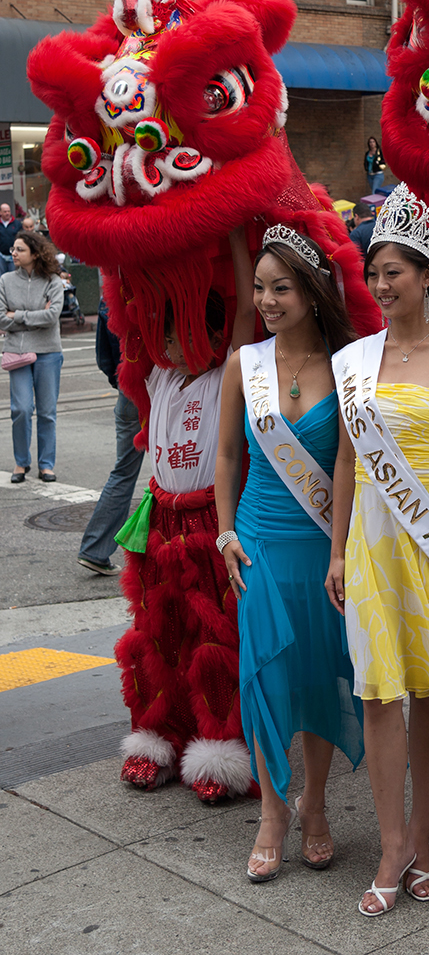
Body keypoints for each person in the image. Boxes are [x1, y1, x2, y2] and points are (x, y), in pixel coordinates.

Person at [326, 182, 429, 916]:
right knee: (377, 690)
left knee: (428, 691)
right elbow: (343, 459)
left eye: (394, 271)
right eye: (373, 273)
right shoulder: (354, 359)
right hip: (371, 538)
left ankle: (422, 837)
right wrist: (338, 551)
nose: (381, 285)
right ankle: (391, 842)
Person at [215, 225, 364, 882]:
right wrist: (226, 534)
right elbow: (226, 456)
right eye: (259, 288)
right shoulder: (242, 365)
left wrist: (341, 550)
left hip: (323, 544)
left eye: (280, 288)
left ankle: (316, 805)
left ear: (311, 291)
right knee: (267, 675)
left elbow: (349, 464)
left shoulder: (346, 366)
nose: (266, 301)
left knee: (319, 675)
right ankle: (273, 811)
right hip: (259, 543)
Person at [115, 229, 258, 803]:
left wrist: (233, 233)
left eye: (182, 335)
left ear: (215, 336)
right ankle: (158, 737)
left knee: (215, 637)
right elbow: (131, 306)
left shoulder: (231, 375)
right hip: (159, 524)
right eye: (167, 335)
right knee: (158, 635)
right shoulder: (160, 376)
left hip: (209, 524)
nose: (170, 345)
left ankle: (219, 748)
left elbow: (245, 309)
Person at [77, 299, 144, 576]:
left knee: (123, 471)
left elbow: (104, 358)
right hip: (165, 386)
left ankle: (95, 549)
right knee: (179, 471)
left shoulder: (110, 298)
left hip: (128, 390)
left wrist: (121, 383)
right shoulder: (156, 287)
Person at [0, 231, 64, 482]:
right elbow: (0, 318)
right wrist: (35, 316)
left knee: (47, 412)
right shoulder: (5, 280)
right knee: (21, 409)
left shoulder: (53, 281)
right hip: (16, 352)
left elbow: (52, 316)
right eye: (13, 249)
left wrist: (16, 315)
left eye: (20, 250)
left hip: (48, 350)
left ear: (35, 254)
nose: (13, 253)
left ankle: (46, 465)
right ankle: (21, 463)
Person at [0, 202, 21, 275]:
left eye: (8, 211)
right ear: (0, 212)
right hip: (1, 255)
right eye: (5, 211)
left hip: (13, 255)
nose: (7, 213)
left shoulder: (17, 224)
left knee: (13, 275)